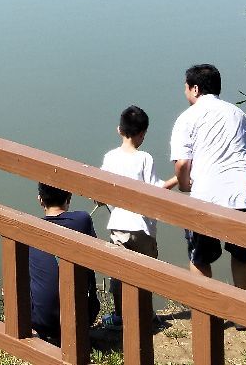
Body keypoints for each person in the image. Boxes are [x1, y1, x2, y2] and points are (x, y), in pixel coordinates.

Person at [170, 64, 246, 292]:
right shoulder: (239, 115)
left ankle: (208, 314)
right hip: (241, 196)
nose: (185, 92)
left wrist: (183, 185)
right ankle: (241, 313)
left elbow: (182, 163)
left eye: (186, 87)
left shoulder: (187, 118)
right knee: (242, 255)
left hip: (205, 197)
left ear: (195, 89)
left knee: (200, 258)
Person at [100, 105, 177, 329]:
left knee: (119, 274)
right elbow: (156, 190)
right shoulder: (145, 158)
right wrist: (177, 179)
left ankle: (120, 317)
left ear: (119, 130)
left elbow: (102, 189)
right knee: (145, 273)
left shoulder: (110, 157)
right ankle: (146, 315)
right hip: (143, 228)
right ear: (143, 133)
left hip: (119, 226)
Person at [28, 183, 100, 344]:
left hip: (43, 323)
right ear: (69, 198)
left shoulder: (30, 228)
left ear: (40, 200)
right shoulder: (82, 220)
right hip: (82, 317)